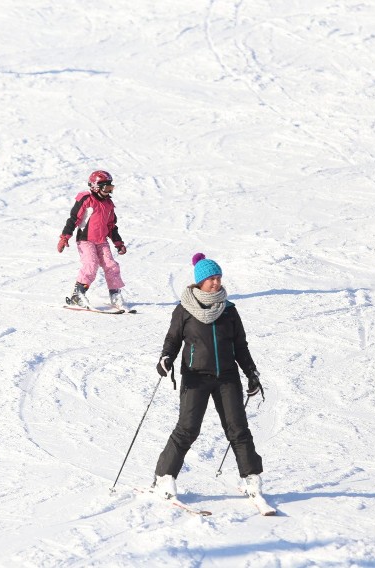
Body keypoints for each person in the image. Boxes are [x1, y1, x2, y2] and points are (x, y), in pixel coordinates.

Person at [153, 253, 266, 501]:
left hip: (227, 377)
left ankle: (251, 478)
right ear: (200, 282)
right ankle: (164, 477)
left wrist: (251, 373)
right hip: (195, 377)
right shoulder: (184, 310)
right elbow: (172, 340)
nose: (216, 283)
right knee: (187, 429)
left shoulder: (229, 310)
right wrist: (165, 358)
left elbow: (241, 346)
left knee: (238, 429)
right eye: (211, 279)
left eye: (218, 277)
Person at [56, 170, 127, 309]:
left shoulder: (109, 204)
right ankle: (77, 295)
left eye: (110, 188)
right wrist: (65, 237)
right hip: (85, 240)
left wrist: (118, 243)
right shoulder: (86, 200)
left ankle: (115, 293)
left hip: (102, 241)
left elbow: (111, 226)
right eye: (106, 188)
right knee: (91, 264)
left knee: (111, 265)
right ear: (95, 186)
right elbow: (74, 219)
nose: (108, 191)